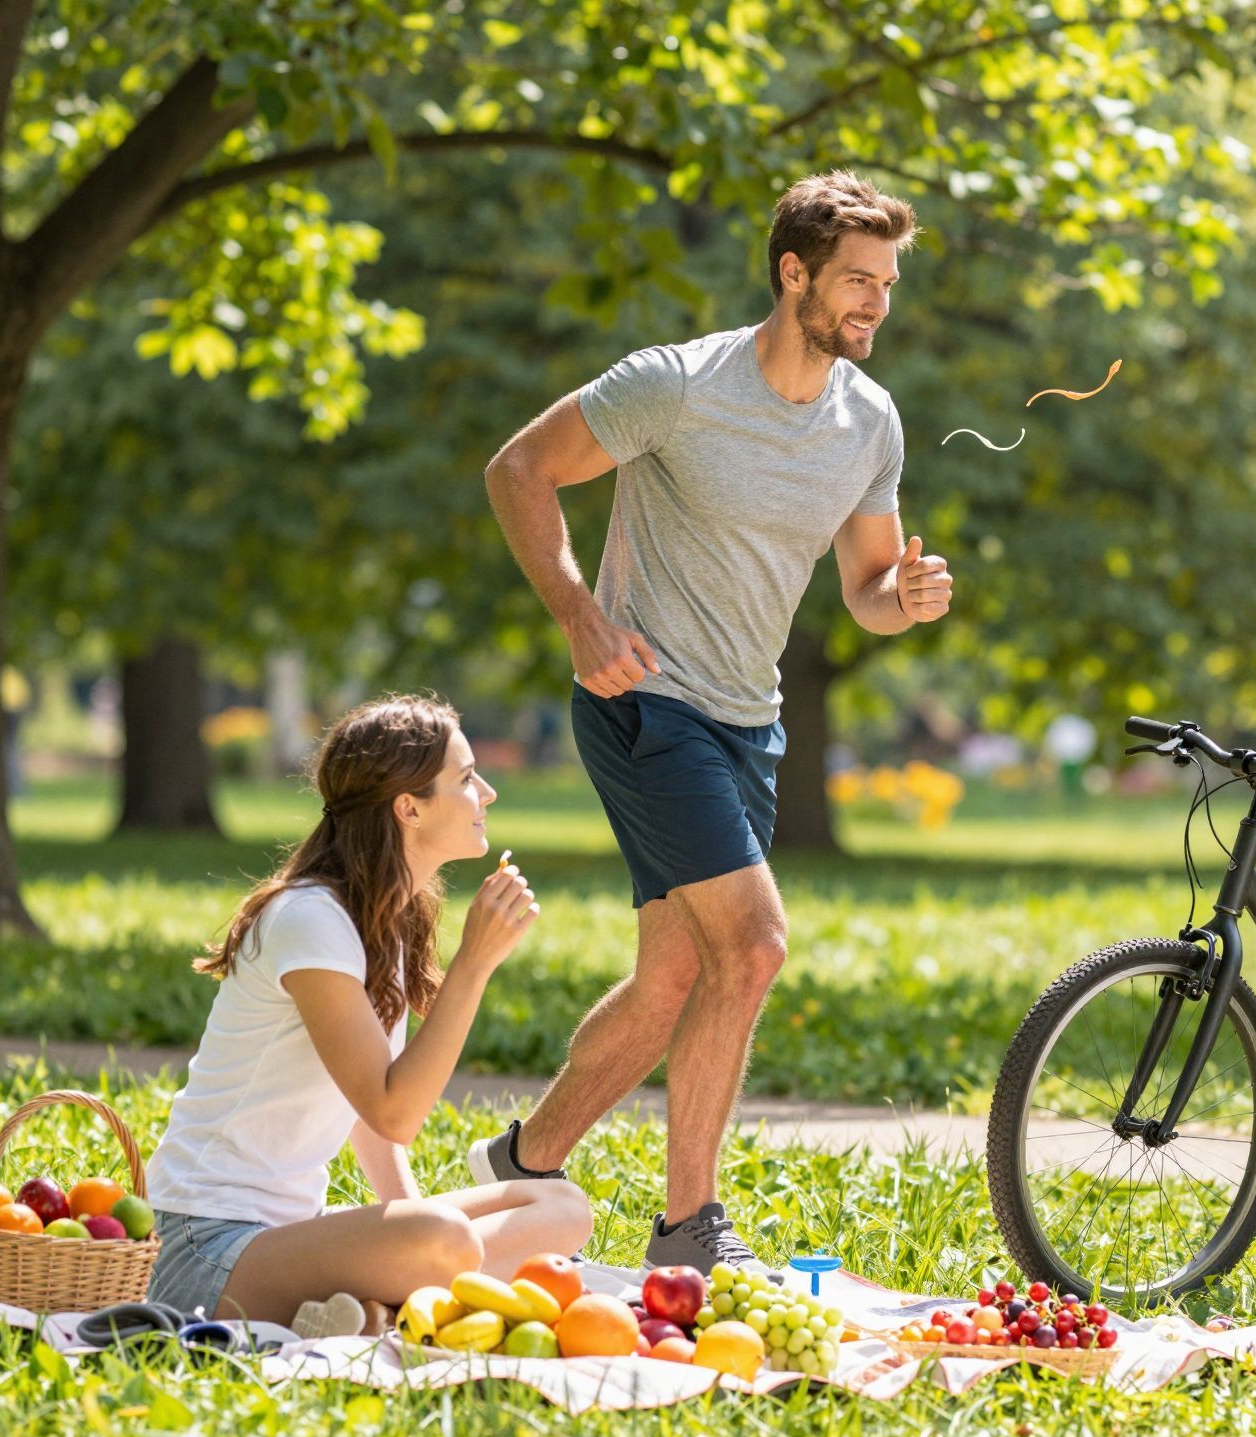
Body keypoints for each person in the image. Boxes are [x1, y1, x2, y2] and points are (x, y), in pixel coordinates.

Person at [478, 171, 951, 1273]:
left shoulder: (869, 420)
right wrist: (579, 617)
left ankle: (522, 1163)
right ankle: (688, 1227)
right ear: (793, 274)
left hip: (749, 721)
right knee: (753, 947)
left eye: (887, 284)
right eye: (857, 281)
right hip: (644, 699)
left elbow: (868, 589)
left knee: (672, 983)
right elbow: (519, 470)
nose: (876, 304)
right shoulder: (678, 385)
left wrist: (909, 600)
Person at [145, 696, 591, 1328]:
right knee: (444, 1238)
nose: (487, 793)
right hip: (205, 1247)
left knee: (562, 1206)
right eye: (467, 778)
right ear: (409, 808)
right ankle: (398, 1296)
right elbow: (393, 1112)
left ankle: (385, 1298)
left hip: (291, 1233)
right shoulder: (309, 919)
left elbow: (365, 1110)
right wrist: (473, 964)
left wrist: (406, 1225)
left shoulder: (385, 918)